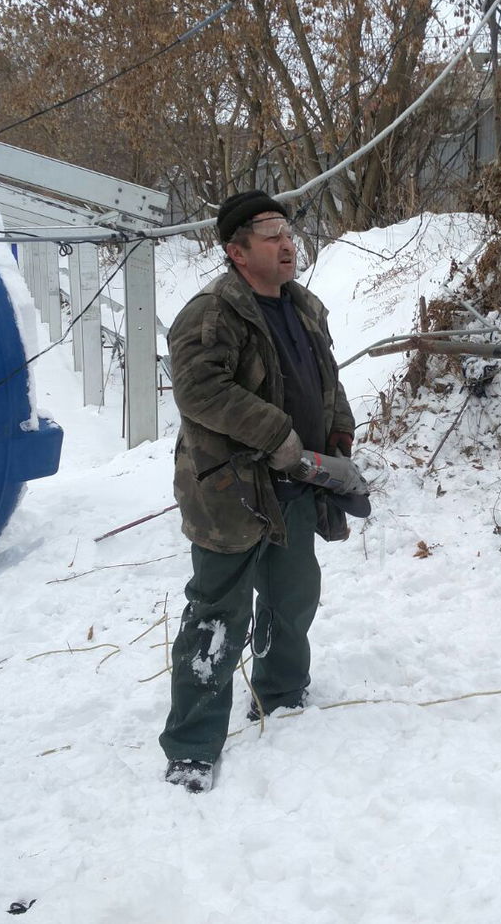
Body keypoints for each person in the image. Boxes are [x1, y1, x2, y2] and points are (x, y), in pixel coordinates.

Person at [160, 190, 362, 793]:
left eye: (288, 232)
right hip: (231, 493)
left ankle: (281, 694)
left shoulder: (304, 306)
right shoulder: (211, 314)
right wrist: (277, 433)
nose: (286, 243)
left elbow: (325, 377)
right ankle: (192, 745)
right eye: (271, 234)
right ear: (237, 251)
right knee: (217, 616)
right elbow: (200, 392)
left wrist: (339, 429)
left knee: (292, 597)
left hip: (294, 486)